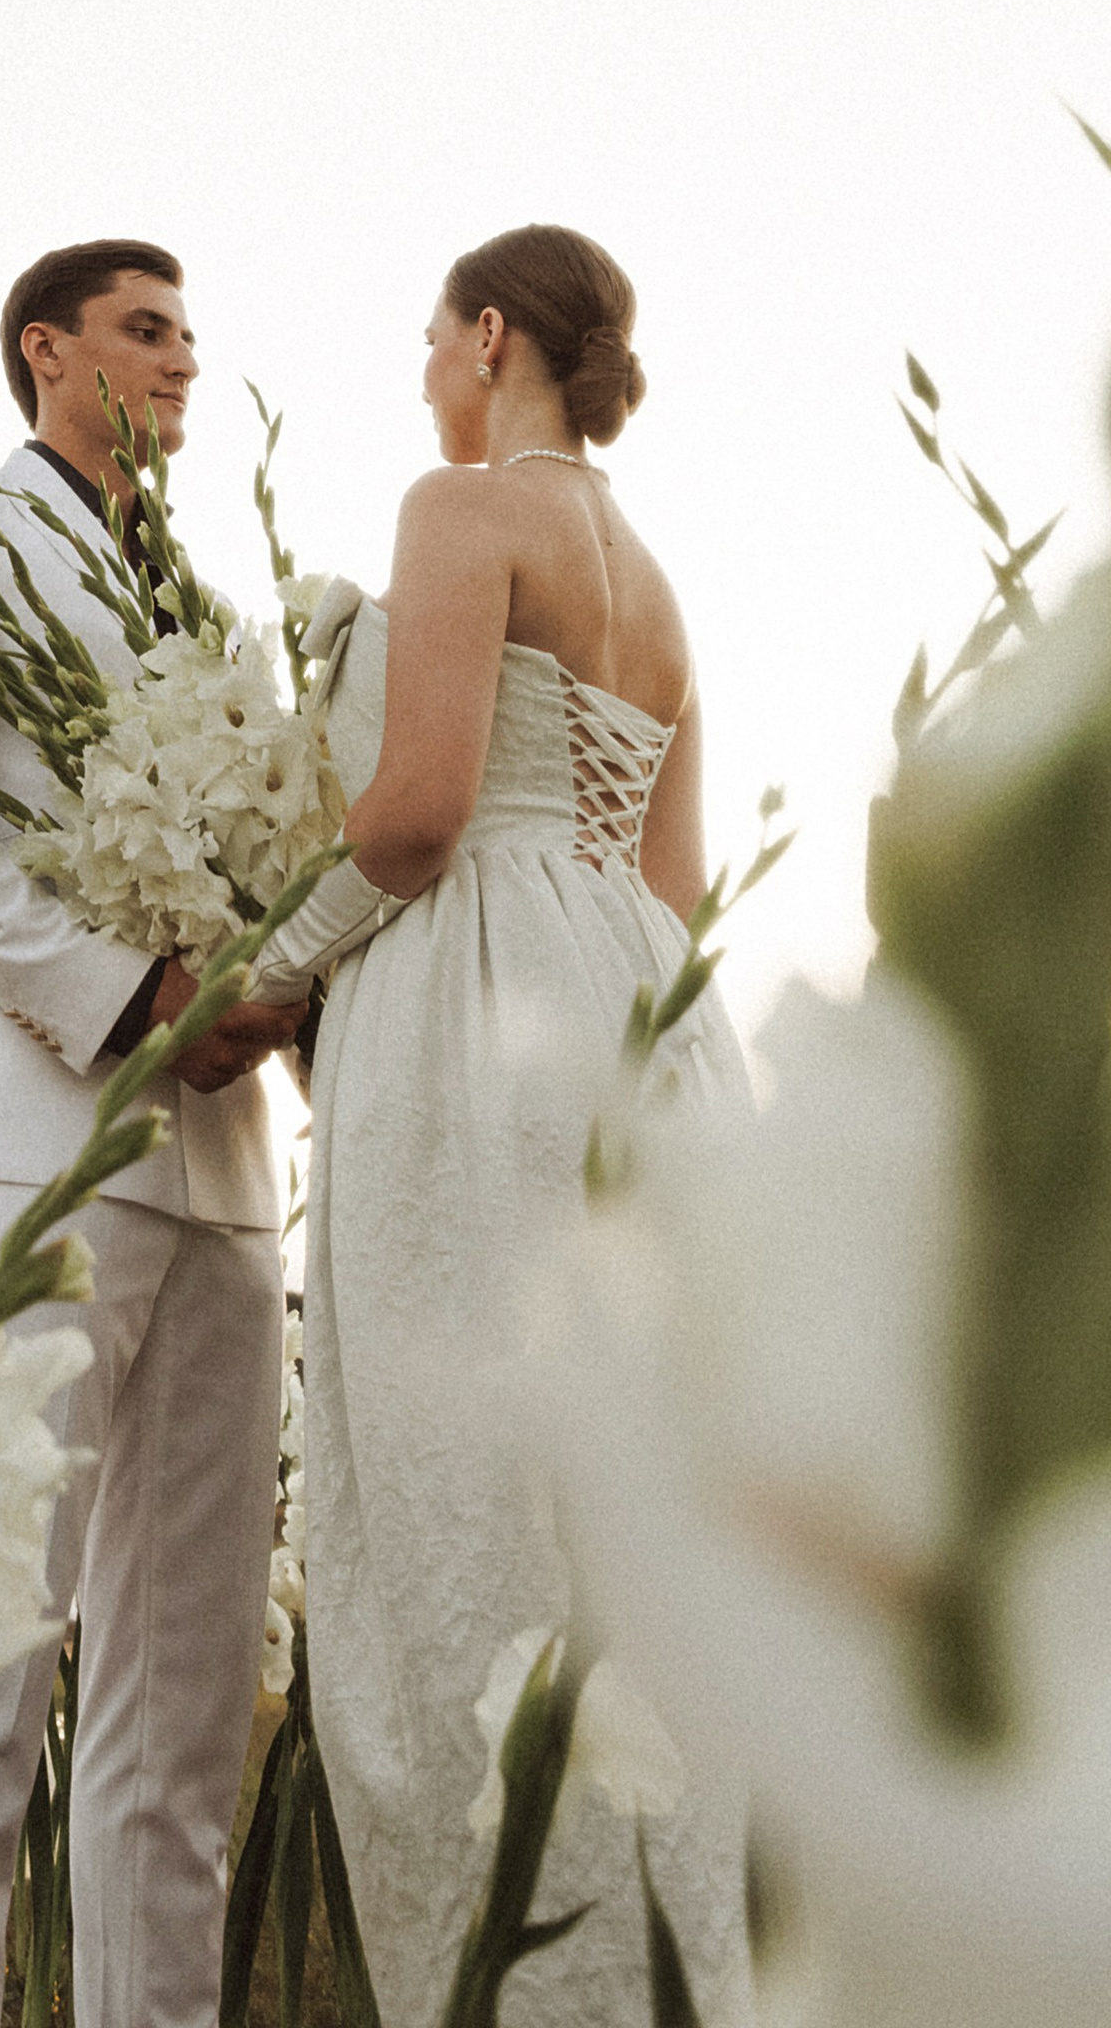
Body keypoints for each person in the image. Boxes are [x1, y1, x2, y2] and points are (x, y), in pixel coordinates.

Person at [267, 223, 753, 2027]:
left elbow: (419, 813)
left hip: (479, 1021)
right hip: (637, 1024)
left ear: (490, 336)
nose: (423, 377)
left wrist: (266, 972)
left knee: (459, 1493)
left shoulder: (462, 512)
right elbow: (673, 889)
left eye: (431, 340)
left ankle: (513, 1976)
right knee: (627, 1508)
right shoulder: (664, 593)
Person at [0, 238, 299, 2028]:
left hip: (230, 1184)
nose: (183, 361)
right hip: (28, 1162)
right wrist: (131, 997)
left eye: (191, 335)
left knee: (182, 1719)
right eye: (146, 330)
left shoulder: (214, 618)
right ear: (47, 350)